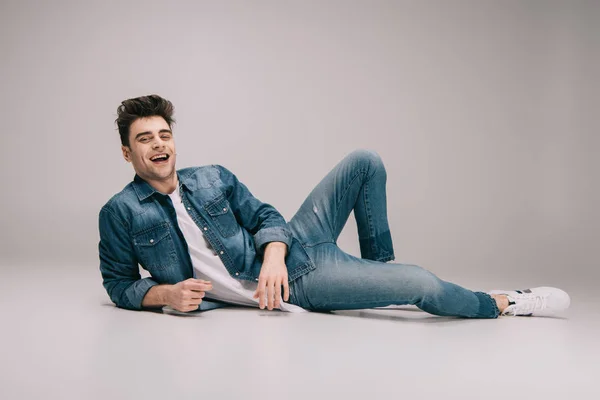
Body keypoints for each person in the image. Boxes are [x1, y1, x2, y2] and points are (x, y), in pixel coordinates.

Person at [98, 94, 571, 318]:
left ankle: (373, 269)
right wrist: (165, 295)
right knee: (422, 284)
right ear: (128, 153)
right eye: (145, 139)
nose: (159, 145)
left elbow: (266, 218)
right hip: (304, 283)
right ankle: (507, 303)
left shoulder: (210, 177)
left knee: (364, 162)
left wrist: (276, 253)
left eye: (165, 134)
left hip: (294, 249)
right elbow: (119, 284)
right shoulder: (121, 212)